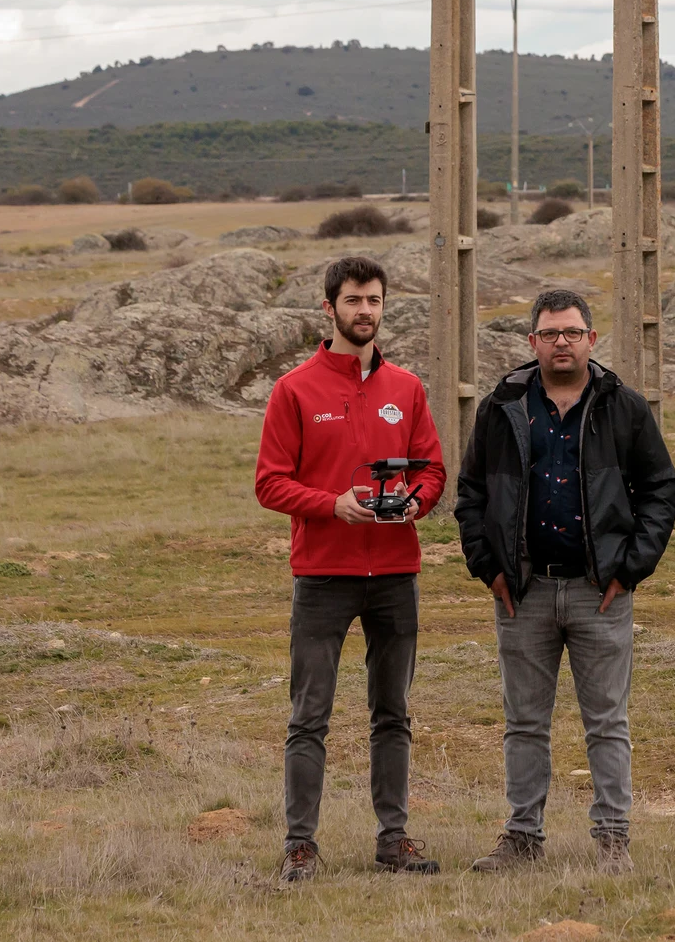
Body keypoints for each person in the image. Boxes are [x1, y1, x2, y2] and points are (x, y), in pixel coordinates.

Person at [455, 288, 675, 875]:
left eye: (572, 333)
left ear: (591, 340)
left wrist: (630, 569)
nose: (562, 343)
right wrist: (490, 569)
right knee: (524, 722)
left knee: (607, 722)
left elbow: (661, 488)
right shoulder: (502, 406)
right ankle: (523, 838)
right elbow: (472, 494)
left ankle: (612, 841)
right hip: (523, 593)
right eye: (551, 334)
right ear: (532, 342)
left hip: (597, 591)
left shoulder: (622, 407)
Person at [254, 255, 446, 883]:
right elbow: (270, 484)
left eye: (375, 301)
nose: (365, 311)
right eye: (354, 300)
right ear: (329, 307)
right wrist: (332, 506)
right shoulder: (295, 389)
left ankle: (393, 840)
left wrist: (415, 501)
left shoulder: (407, 389)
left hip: (395, 574)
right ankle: (300, 844)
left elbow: (432, 469)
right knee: (310, 715)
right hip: (323, 577)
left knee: (393, 713)